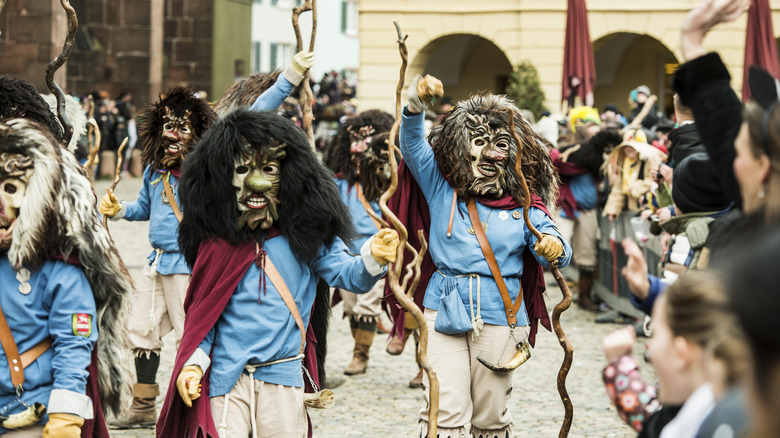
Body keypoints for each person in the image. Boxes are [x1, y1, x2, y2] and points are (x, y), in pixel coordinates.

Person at [101, 51, 316, 428]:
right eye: (167, 125)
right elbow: (144, 210)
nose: (173, 133)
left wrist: (289, 78)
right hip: (156, 262)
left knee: (197, 332)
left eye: (182, 126)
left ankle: (207, 392)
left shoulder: (208, 168)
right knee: (141, 328)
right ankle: (143, 404)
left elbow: (248, 117)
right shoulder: (155, 172)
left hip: (191, 263)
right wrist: (119, 210)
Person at [156, 108, 398, 438]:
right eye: (243, 169)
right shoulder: (216, 246)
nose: (256, 182)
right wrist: (194, 365)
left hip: (281, 378)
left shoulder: (308, 237)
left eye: (268, 169)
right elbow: (204, 318)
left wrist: (373, 256)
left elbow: (349, 275)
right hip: (226, 380)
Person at [402, 75, 571, 437]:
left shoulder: (525, 204)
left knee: (490, 417)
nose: (490, 153)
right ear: (462, 147)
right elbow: (413, 145)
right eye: (479, 142)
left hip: (502, 314)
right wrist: (415, 106)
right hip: (443, 308)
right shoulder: (440, 188)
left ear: (515, 153)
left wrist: (554, 247)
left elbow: (551, 237)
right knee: (443, 410)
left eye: (500, 144)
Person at [0, 118, 134, 437]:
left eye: (10, 188)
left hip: (31, 412)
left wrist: (65, 417)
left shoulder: (60, 268)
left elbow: (74, 345)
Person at [602, 271, 746, 438]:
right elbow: (650, 414)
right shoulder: (710, 411)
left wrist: (619, 365)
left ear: (681, 353)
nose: (648, 346)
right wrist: (620, 367)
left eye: (654, 334)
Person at [324, 109, 395, 376]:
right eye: (354, 139)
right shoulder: (338, 182)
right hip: (345, 250)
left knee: (366, 305)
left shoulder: (383, 181)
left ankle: (359, 355)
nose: (358, 147)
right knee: (353, 307)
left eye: (366, 139)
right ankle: (363, 345)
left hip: (375, 249)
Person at [554, 128, 623, 310]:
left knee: (587, 256)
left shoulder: (597, 165)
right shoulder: (573, 160)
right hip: (568, 209)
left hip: (588, 212)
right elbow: (557, 162)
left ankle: (584, 296)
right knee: (553, 247)